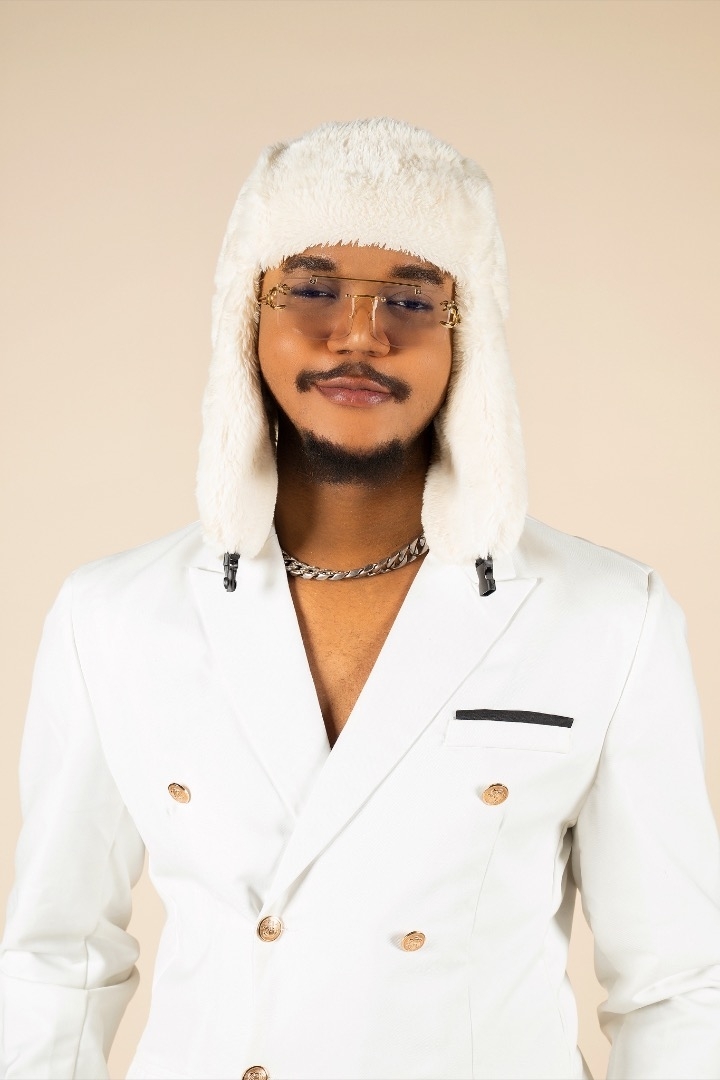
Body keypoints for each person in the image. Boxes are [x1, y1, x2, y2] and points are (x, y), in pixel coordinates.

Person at [1, 117, 719, 1080]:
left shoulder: (610, 616)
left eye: (413, 298)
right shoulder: (113, 617)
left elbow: (678, 987)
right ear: (246, 315)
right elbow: (57, 963)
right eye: (311, 287)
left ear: (469, 334)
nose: (360, 333)